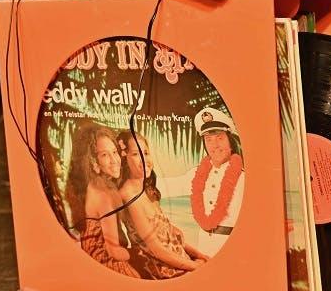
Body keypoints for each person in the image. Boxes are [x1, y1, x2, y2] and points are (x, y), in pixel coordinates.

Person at [116, 130, 207, 276]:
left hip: (176, 260)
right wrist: (196, 266)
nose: (144, 159)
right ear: (124, 159)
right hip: (159, 269)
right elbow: (157, 250)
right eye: (136, 154)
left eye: (146, 153)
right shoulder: (129, 196)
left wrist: (200, 256)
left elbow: (171, 237)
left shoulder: (147, 190)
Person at [158, 107, 245, 257]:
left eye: (219, 138)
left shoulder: (244, 178)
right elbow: (166, 187)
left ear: (230, 141)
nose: (214, 145)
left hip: (234, 248)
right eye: (208, 140)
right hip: (203, 246)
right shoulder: (198, 174)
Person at [64, 123, 140, 279]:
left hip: (93, 260)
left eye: (114, 152)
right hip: (105, 264)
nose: (114, 160)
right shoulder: (104, 194)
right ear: (94, 162)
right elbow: (114, 252)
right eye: (105, 155)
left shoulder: (97, 185)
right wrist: (136, 254)